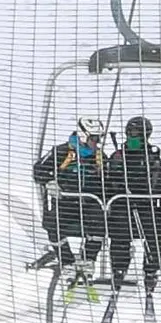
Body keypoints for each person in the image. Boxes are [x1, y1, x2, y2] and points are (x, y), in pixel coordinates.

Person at [32, 117, 109, 279]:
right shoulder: (61, 152)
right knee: (52, 224)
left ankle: (88, 259)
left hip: (90, 202)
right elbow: (38, 170)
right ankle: (67, 261)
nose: (96, 143)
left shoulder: (99, 156)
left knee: (99, 223)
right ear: (83, 135)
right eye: (93, 138)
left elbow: (109, 179)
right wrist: (50, 182)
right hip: (66, 201)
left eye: (99, 139)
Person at [105, 116, 161, 300]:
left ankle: (151, 270)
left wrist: (145, 188)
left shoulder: (152, 155)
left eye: (137, 134)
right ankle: (119, 269)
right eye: (131, 133)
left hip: (144, 203)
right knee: (119, 232)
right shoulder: (118, 155)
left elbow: (158, 180)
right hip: (122, 203)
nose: (133, 137)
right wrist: (119, 181)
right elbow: (109, 180)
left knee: (155, 233)